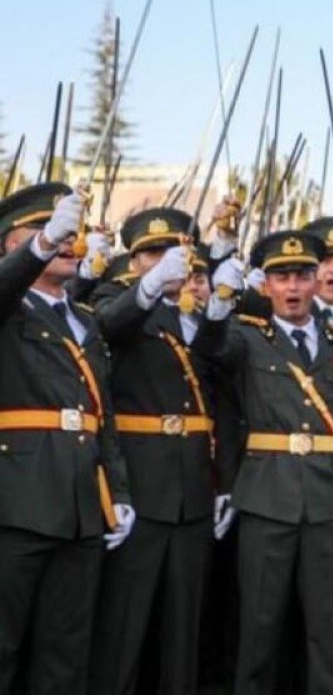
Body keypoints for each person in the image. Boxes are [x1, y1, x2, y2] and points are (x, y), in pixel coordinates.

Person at [193, 229, 333, 695]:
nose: (294, 287)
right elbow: (211, 349)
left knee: (329, 629)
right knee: (259, 628)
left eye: (302, 275)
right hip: (267, 498)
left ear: (319, 278)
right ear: (266, 286)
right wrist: (218, 306)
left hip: (328, 500)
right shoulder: (246, 337)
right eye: (282, 277)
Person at [0, 182, 133, 694]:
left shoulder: (84, 319)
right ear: (10, 246)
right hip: (17, 502)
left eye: (64, 230)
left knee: (65, 653)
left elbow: (105, 416)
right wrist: (38, 249)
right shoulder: (11, 308)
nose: (63, 240)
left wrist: (118, 492)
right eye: (39, 229)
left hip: (80, 503)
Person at [87, 209, 221, 694]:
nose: (164, 262)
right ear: (135, 261)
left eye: (174, 253)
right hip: (139, 490)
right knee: (123, 629)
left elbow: (223, 400)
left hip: (192, 493)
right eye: (151, 253)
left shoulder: (200, 314)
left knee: (182, 636)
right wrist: (148, 290)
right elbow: (108, 324)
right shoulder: (113, 299)